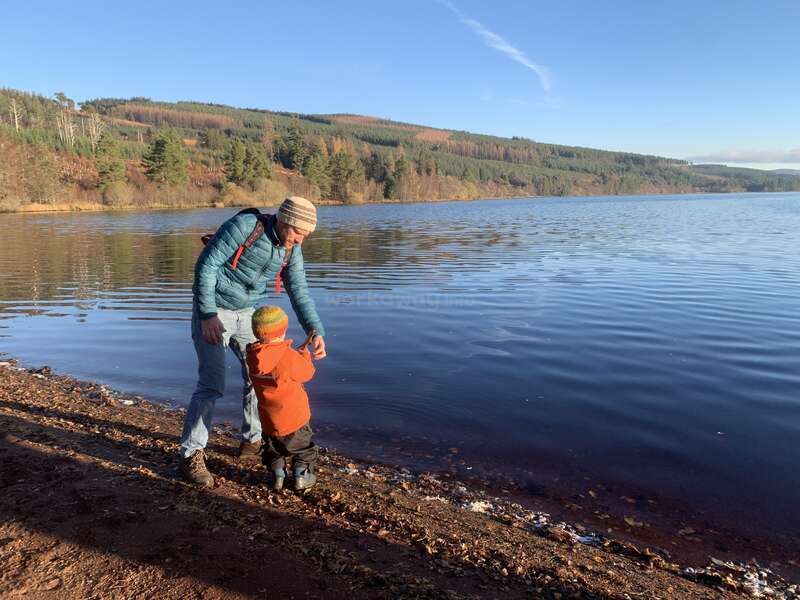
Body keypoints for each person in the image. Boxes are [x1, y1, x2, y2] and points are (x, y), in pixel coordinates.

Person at [178, 197, 326, 487]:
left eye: (305, 235)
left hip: (249, 314)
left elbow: (298, 289)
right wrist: (208, 314)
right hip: (214, 309)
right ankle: (191, 455)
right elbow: (206, 267)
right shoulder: (245, 226)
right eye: (298, 232)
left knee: (260, 377)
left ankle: (252, 442)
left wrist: (314, 330)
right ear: (284, 221)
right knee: (211, 384)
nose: (300, 240)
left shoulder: (290, 249)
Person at [246, 305, 318, 491]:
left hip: (269, 419)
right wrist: (304, 355)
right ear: (284, 330)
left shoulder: (253, 357)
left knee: (273, 449)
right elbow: (307, 373)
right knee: (304, 449)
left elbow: (274, 362)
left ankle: (278, 478)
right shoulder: (288, 356)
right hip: (294, 417)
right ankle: (302, 478)